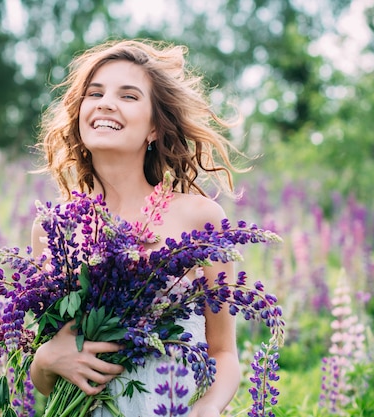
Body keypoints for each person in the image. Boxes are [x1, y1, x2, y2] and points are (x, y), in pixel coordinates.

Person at [29, 39, 242, 417]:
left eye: (128, 96)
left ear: (155, 128)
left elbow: (223, 351)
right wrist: (45, 360)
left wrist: (207, 409)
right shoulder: (53, 229)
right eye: (95, 93)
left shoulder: (200, 218)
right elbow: (48, 382)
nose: (106, 102)